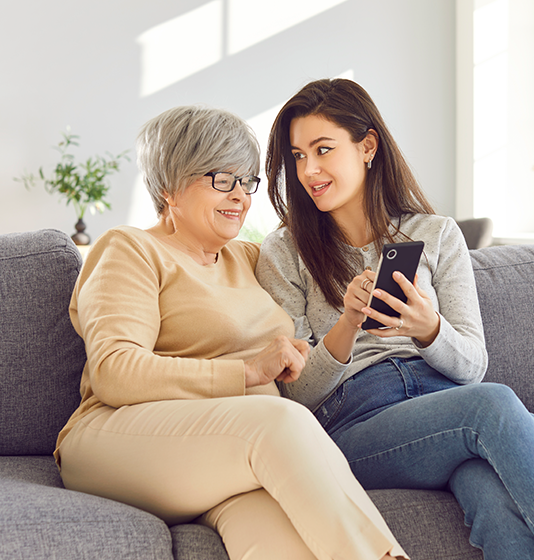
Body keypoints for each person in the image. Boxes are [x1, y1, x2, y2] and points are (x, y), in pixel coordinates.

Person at [256, 78, 534, 560]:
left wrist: (428, 328)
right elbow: (297, 394)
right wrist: (346, 323)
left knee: (489, 490)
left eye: (323, 150)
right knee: (493, 407)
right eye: (298, 156)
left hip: (444, 404)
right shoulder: (283, 252)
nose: (309, 170)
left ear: (367, 146)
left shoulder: (437, 234)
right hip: (354, 421)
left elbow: (472, 366)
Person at [53, 105, 408, 560]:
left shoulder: (249, 258)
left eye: (247, 181)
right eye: (222, 179)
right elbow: (115, 372)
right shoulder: (131, 248)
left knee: (285, 541)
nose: (240, 195)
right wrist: (247, 371)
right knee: (280, 423)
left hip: (226, 451)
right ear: (169, 187)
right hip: (116, 441)